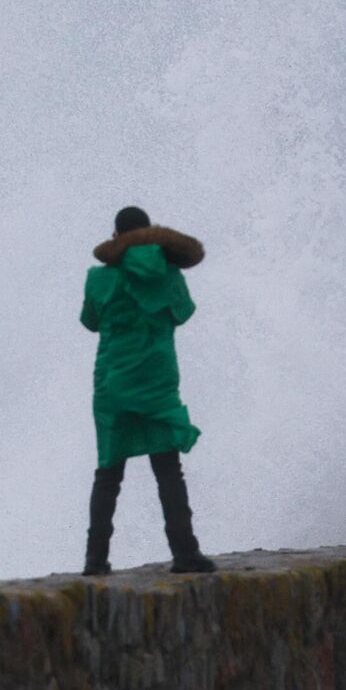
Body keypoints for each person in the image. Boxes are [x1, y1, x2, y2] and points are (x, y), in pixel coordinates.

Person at [78, 206, 216, 575]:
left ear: (116, 236)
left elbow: (89, 321)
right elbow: (184, 312)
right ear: (149, 232)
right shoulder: (168, 274)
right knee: (168, 469)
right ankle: (185, 553)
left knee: (109, 472)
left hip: (112, 383)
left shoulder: (99, 278)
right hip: (156, 382)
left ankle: (95, 560)